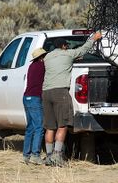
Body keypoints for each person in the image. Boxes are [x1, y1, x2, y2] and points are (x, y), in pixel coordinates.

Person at [42, 31, 102, 167]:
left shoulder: (48, 57)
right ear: (63, 46)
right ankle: (57, 156)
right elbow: (84, 49)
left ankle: (49, 156)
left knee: (50, 127)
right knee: (63, 125)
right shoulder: (68, 54)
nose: (68, 47)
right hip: (60, 92)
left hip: (46, 93)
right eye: (67, 46)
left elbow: (61, 62)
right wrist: (94, 38)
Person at [22, 48, 47, 165]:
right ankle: (35, 155)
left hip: (26, 97)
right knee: (39, 127)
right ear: (42, 57)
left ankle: (26, 155)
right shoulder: (41, 66)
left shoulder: (32, 66)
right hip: (35, 98)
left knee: (30, 128)